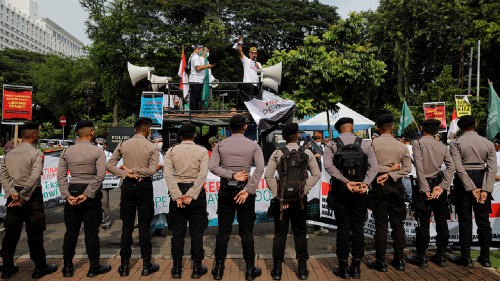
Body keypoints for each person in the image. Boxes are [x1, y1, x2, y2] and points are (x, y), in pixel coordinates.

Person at [209, 114, 265, 280]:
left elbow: (212, 167)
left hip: (226, 191)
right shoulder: (253, 145)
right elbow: (260, 169)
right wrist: (248, 189)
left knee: (223, 231)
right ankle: (249, 270)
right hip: (245, 192)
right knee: (246, 232)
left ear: (229, 128)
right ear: (245, 127)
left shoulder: (220, 144)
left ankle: (218, 270)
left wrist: (231, 175)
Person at [0, 123, 58, 279]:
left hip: (13, 197)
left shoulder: (9, 154)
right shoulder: (37, 153)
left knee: (11, 233)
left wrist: (13, 194)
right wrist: (23, 196)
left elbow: (3, 177)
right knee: (35, 233)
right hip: (32, 197)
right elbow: (34, 177)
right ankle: (40, 267)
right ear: (34, 136)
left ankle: (6, 267)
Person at [324, 118, 379, 279]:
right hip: (360, 192)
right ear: (352, 127)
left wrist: (346, 182)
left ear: (338, 130)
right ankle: (356, 267)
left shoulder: (332, 144)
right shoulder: (365, 143)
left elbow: (328, 166)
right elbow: (374, 166)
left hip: (340, 192)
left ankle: (343, 268)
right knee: (358, 229)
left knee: (343, 229)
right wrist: (365, 184)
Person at [264, 123, 320, 280]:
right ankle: (302, 269)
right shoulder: (307, 153)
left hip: (282, 202)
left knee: (280, 234)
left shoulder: (277, 153)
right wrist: (303, 190)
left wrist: (279, 195)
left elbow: (268, 175)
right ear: (298, 136)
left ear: (284, 137)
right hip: (300, 201)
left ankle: (276, 270)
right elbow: (316, 174)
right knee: (300, 234)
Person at [106, 117, 160, 277]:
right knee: (144, 226)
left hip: (128, 186)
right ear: (148, 130)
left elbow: (109, 165)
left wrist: (127, 172)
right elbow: (151, 170)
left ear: (135, 129)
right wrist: (137, 171)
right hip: (144, 187)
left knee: (126, 226)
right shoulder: (151, 146)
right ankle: (146, 265)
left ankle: (124, 266)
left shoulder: (123, 144)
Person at [57, 121, 111, 277]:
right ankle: (94, 267)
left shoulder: (67, 151)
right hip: (91, 195)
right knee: (91, 232)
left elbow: (60, 176)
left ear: (78, 135)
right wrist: (87, 194)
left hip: (72, 192)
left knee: (71, 232)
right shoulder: (97, 151)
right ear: (92, 133)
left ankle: (67, 267)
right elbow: (101, 175)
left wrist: (67, 195)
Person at [406, 119, 455, 268]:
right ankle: (440, 257)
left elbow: (420, 169)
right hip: (438, 186)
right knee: (442, 223)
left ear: (422, 128)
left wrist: (426, 189)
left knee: (423, 224)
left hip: (424, 187)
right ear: (436, 131)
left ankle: (421, 258)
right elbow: (452, 167)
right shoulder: (442, 146)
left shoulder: (418, 144)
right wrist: (442, 186)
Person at [449, 115, 496, 268]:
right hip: (482, 180)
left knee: (465, 221)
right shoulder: (488, 143)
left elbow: (459, 168)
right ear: (475, 124)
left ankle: (466, 257)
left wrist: (471, 188)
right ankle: (485, 257)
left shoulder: (456, 143)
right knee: (483, 221)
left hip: (464, 183)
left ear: (461, 128)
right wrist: (486, 189)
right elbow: (492, 168)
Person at [164, 123, 210, 279]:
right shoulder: (202, 151)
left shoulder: (171, 151)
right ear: (195, 135)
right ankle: (197, 268)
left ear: (179, 136)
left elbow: (168, 175)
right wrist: (191, 194)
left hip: (177, 191)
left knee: (177, 233)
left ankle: (176, 269)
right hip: (196, 194)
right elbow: (202, 175)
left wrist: (177, 195)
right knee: (197, 232)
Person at [367, 114, 411, 272]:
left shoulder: (372, 144)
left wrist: (384, 172)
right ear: (392, 127)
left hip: (379, 187)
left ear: (378, 128)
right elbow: (407, 169)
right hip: (397, 187)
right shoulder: (402, 145)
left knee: (381, 226)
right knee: (398, 224)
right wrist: (391, 171)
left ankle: (380, 262)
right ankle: (399, 261)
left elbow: (368, 167)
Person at [149, 133, 169, 237]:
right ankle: (148, 229)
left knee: (161, 206)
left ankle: (159, 229)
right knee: (151, 205)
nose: (160, 143)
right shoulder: (148, 153)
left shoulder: (163, 153)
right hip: (152, 183)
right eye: (158, 141)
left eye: (161, 141)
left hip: (162, 183)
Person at [96, 137, 113, 231]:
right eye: (97, 143)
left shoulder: (109, 155)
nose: (98, 145)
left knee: (104, 203)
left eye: (101, 143)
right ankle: (90, 222)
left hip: (105, 183)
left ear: (105, 145)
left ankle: (106, 222)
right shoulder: (91, 153)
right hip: (92, 183)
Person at [189, 44, 212, 111]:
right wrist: (206, 66)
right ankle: (194, 111)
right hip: (196, 79)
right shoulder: (195, 57)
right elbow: (198, 67)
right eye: (201, 50)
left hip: (197, 80)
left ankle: (195, 110)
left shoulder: (192, 56)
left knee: (197, 96)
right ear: (198, 49)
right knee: (195, 97)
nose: (201, 52)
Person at [402, 129, 417, 202]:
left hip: (405, 178)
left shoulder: (401, 148)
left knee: (407, 201)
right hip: (417, 178)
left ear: (403, 138)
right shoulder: (416, 149)